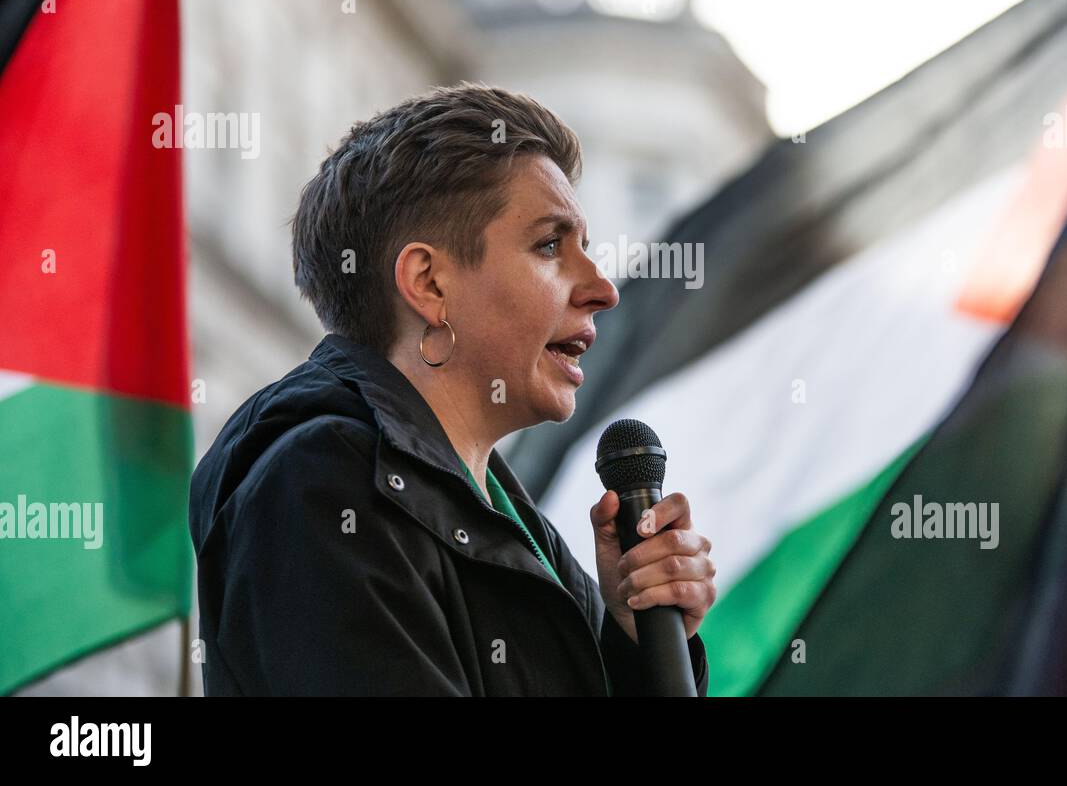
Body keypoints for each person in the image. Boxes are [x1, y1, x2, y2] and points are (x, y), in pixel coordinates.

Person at [188, 82, 716, 695]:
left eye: (587, 250)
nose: (603, 288)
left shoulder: (512, 522)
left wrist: (630, 641)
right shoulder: (322, 482)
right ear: (429, 284)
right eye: (550, 245)